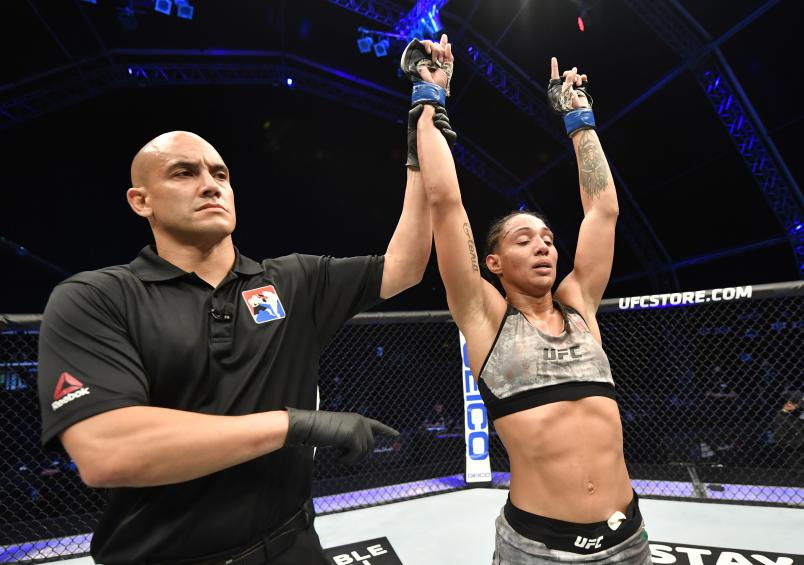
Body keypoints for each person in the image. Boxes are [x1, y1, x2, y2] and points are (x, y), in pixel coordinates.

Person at [36, 126, 437, 563]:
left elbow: (405, 267)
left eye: (220, 174)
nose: (210, 184)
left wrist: (420, 159)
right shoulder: (97, 296)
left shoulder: (292, 280)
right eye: (183, 173)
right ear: (141, 200)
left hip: (293, 548)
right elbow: (106, 451)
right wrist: (296, 425)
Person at [413, 36, 651, 562]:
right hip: (538, 549)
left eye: (547, 238)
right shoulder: (486, 318)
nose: (543, 245)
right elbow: (445, 204)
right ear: (493, 263)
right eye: (524, 240)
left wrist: (579, 119)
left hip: (629, 538)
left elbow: (602, 210)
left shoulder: (579, 305)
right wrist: (429, 95)